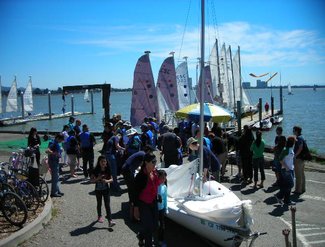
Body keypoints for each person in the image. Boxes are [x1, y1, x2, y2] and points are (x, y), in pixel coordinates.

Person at [134, 152, 160, 247]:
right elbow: (135, 193)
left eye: (155, 161)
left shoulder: (154, 172)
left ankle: (141, 236)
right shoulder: (140, 177)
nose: (155, 164)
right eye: (153, 162)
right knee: (149, 228)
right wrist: (136, 209)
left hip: (153, 201)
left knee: (155, 225)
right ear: (146, 162)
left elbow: (157, 184)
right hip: (143, 204)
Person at [121, 146, 153, 221]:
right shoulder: (143, 154)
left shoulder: (140, 153)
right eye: (150, 152)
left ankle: (131, 202)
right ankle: (132, 208)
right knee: (133, 189)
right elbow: (144, 165)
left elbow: (140, 164)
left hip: (126, 169)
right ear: (147, 150)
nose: (150, 154)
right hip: (127, 170)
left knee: (130, 187)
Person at [90, 155, 116, 227]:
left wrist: (107, 181)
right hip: (98, 190)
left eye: (105, 161)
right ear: (99, 162)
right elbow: (91, 181)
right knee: (99, 203)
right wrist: (97, 178)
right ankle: (99, 216)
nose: (104, 163)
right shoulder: (95, 170)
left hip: (106, 189)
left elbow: (112, 179)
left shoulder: (108, 169)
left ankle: (110, 220)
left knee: (107, 204)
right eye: (102, 161)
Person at [275, 136, 296, 206]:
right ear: (292, 143)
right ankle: (279, 195)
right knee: (291, 184)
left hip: (291, 169)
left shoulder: (290, 149)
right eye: (294, 142)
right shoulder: (286, 150)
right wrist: (286, 168)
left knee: (288, 185)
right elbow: (280, 159)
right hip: (286, 170)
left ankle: (287, 200)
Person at [47, 133, 65, 197]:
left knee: (57, 177)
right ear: (57, 138)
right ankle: (54, 192)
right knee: (55, 178)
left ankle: (57, 191)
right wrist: (55, 153)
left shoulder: (55, 143)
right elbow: (47, 151)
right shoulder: (53, 143)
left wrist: (59, 151)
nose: (61, 141)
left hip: (55, 161)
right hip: (53, 162)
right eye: (60, 140)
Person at [293, 126, 306, 194]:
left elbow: (300, 148)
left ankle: (298, 190)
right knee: (302, 174)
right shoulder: (302, 137)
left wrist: (295, 155)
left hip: (298, 159)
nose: (293, 131)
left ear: (296, 131)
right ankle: (303, 188)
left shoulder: (299, 138)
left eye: (294, 130)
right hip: (302, 158)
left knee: (298, 175)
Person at [157, 170, 168, 247]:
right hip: (154, 209)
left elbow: (165, 198)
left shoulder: (164, 187)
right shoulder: (154, 186)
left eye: (164, 178)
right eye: (162, 178)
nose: (163, 180)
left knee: (162, 226)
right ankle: (142, 235)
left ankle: (161, 240)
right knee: (153, 225)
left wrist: (166, 208)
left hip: (161, 209)